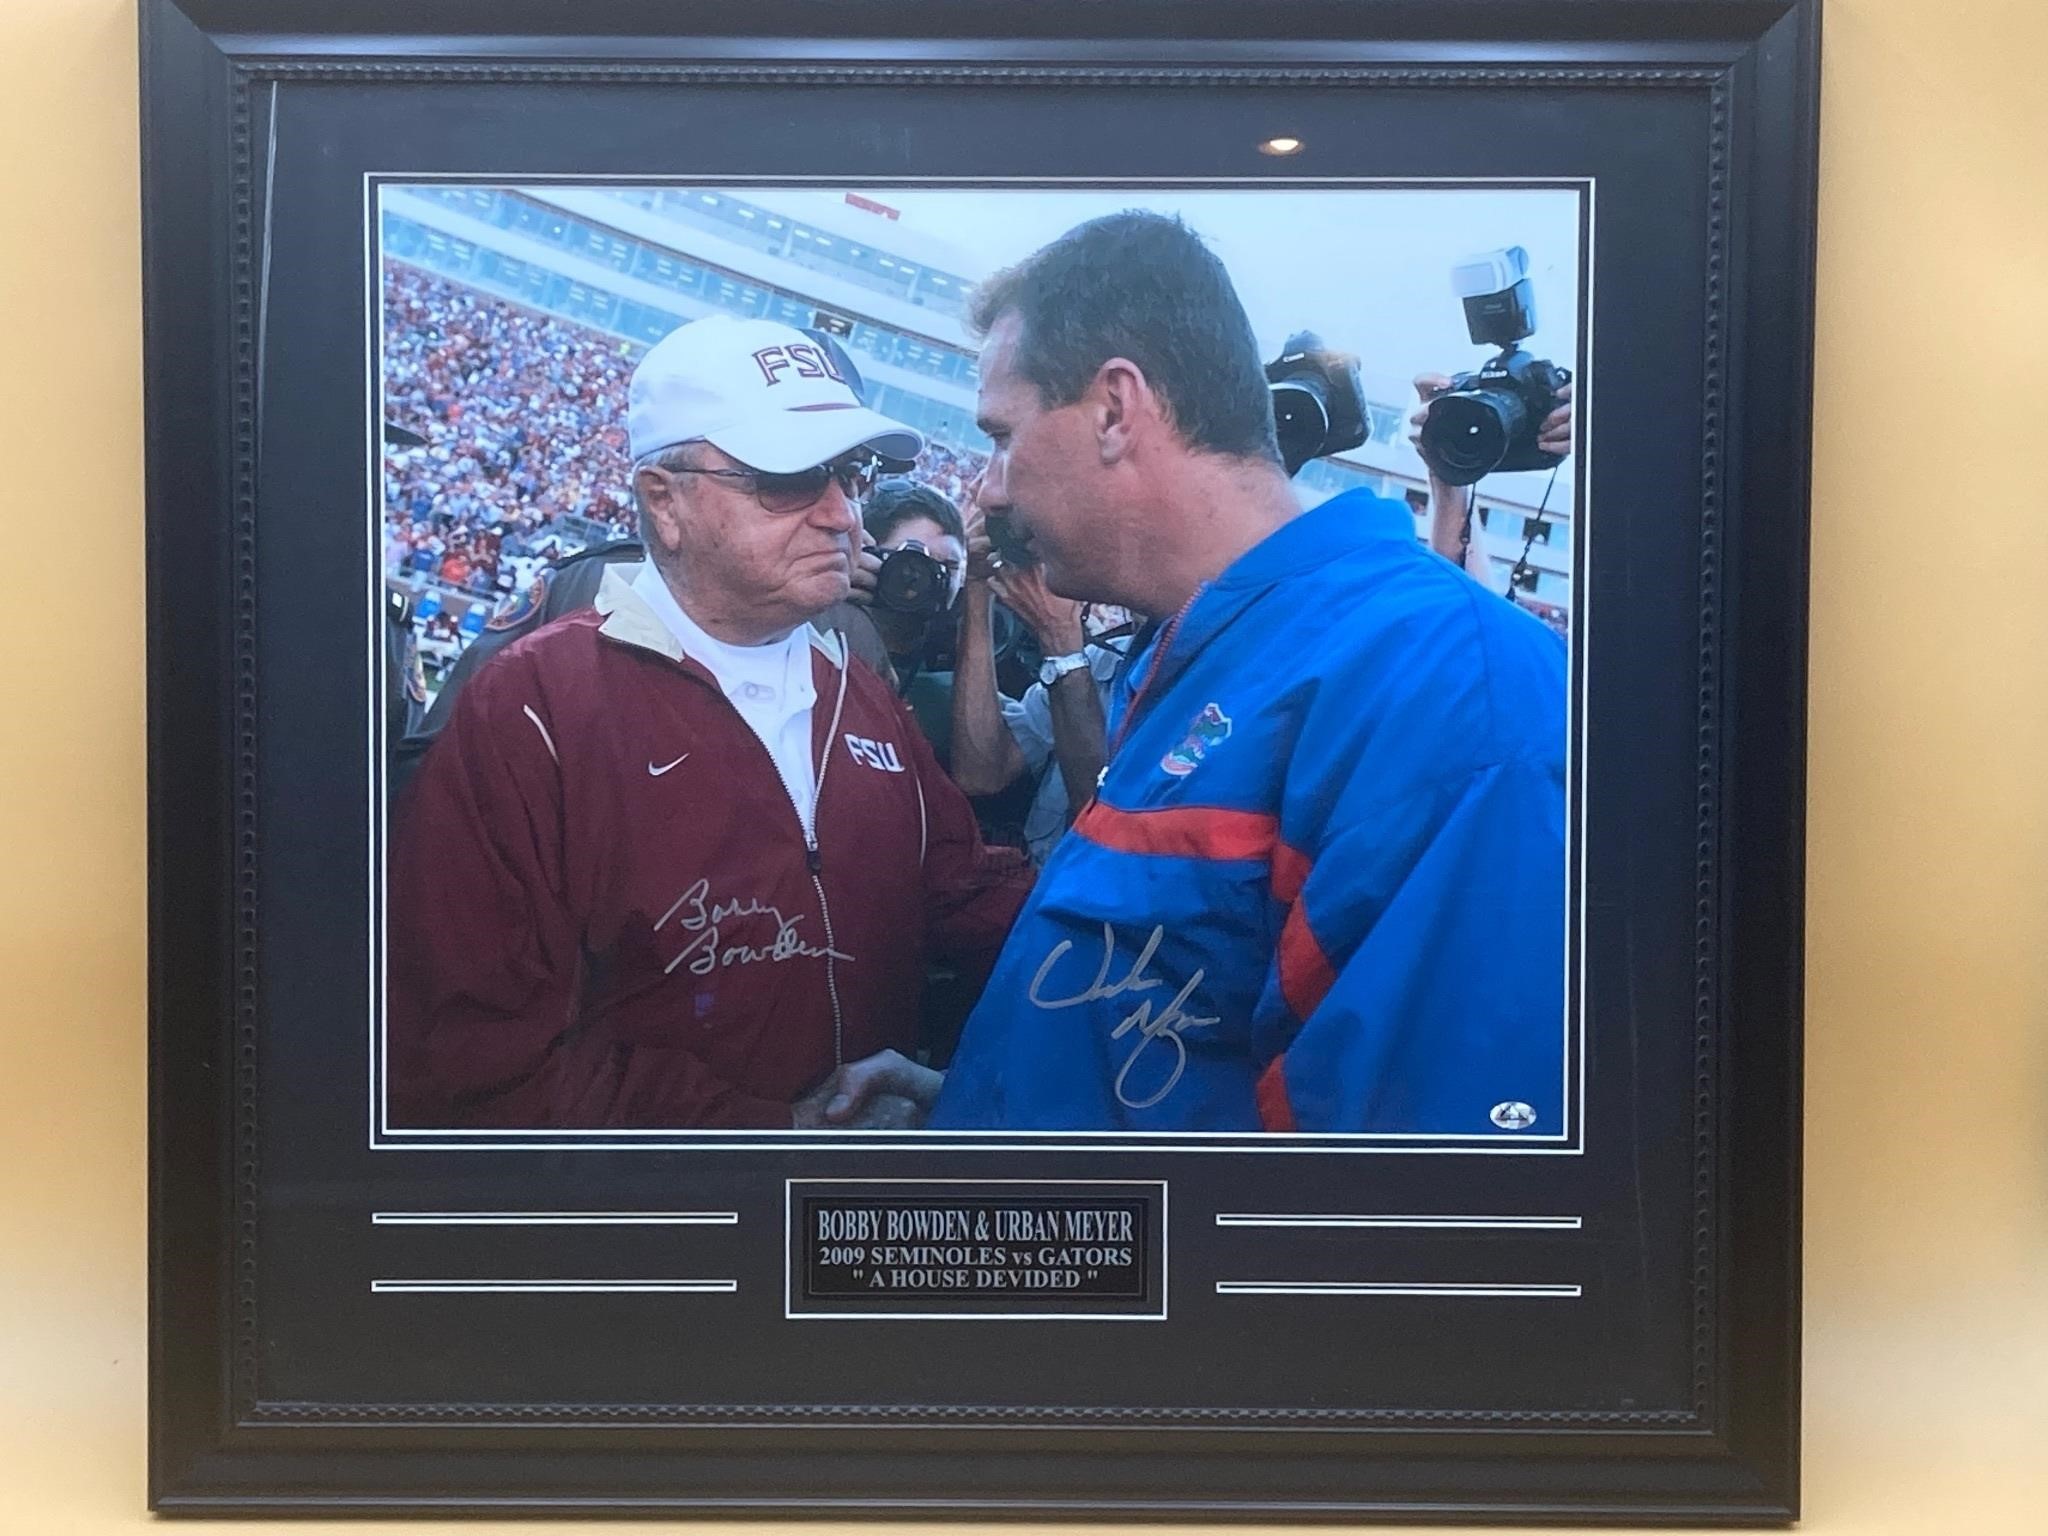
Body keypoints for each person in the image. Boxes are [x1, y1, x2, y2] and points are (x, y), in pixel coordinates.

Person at [836, 210, 1570, 1134]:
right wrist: (989, 1104)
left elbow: (1392, 1213)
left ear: (1115, 407)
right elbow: (1183, 1033)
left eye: (1001, 434)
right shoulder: (1200, 642)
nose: (988, 488)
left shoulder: (1450, 687)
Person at [387, 313, 1032, 1129]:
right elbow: (465, 1053)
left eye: (853, 474)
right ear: (666, 503)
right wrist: (766, 1130)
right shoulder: (534, 705)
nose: (843, 515)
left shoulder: (858, 694)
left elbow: (964, 892)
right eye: (789, 478)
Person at [949, 494, 1128, 866]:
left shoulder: (1201, 677)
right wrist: (980, 584)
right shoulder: (1101, 663)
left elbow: (1097, 824)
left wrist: (1061, 640)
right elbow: (982, 771)